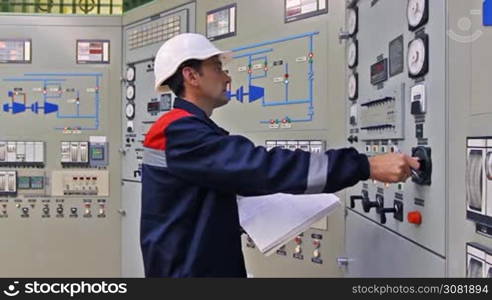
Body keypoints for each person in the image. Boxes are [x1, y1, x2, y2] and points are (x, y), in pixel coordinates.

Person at [140, 33, 420, 277]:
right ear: (191, 76)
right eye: (217, 67)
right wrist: (364, 166)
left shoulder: (189, 130)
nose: (227, 76)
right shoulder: (180, 132)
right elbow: (262, 167)